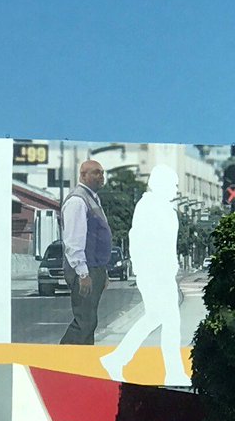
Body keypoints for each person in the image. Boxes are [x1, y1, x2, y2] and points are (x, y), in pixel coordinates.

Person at [99, 164, 189, 385]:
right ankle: (174, 373)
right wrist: (143, 270)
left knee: (156, 318)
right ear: (160, 184)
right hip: (154, 274)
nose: (176, 190)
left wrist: (172, 268)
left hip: (163, 274)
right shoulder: (148, 206)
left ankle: (117, 359)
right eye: (173, 185)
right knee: (170, 321)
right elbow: (137, 239)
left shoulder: (165, 209)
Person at [59, 159, 112, 345]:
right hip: (84, 269)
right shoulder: (77, 201)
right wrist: (83, 273)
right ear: (83, 175)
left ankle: (82, 361)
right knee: (85, 321)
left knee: (89, 321)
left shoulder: (91, 198)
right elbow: (73, 241)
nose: (101, 177)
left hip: (94, 268)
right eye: (96, 172)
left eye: (102, 173)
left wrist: (102, 272)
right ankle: (61, 361)